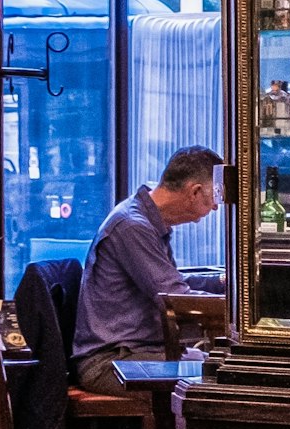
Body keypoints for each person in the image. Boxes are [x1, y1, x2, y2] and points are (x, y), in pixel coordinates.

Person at [77, 146, 221, 391]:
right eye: (215, 195)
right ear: (195, 192)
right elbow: (175, 298)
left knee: (218, 366)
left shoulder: (147, 218)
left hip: (139, 352)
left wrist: (220, 282)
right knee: (220, 378)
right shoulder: (133, 226)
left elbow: (171, 280)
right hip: (112, 361)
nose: (216, 207)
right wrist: (242, 311)